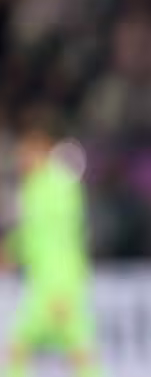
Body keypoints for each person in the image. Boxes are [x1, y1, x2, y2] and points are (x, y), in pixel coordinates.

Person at [1, 123, 103, 377]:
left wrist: (60, 288)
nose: (22, 159)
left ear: (42, 152)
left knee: (24, 344)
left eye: (27, 153)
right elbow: (33, 234)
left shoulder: (58, 185)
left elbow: (61, 236)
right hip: (49, 279)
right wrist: (12, 250)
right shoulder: (34, 187)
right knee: (76, 346)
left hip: (57, 280)